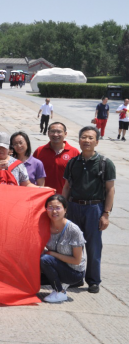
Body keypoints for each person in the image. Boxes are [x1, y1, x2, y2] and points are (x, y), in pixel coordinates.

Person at [62, 126, 115, 294]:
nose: (87, 140)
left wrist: (106, 214)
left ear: (96, 142)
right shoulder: (72, 162)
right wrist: (63, 208)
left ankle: (93, 280)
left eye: (91, 138)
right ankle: (75, 277)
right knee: (73, 244)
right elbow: (67, 187)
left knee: (93, 246)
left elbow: (110, 190)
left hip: (94, 208)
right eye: (84, 137)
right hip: (74, 207)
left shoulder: (105, 163)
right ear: (79, 140)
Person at [40, 194, 86, 303]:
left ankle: (59, 291)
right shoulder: (44, 226)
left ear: (65, 210)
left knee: (45, 259)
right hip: (55, 265)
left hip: (74, 272)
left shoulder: (73, 230)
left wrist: (52, 254)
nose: (54, 211)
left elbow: (77, 260)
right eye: (50, 207)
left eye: (58, 208)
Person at [32, 122, 80, 192]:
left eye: (59, 132)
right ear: (48, 133)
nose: (55, 134)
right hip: (44, 194)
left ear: (65, 134)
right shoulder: (39, 151)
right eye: (53, 131)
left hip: (65, 195)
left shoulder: (74, 152)